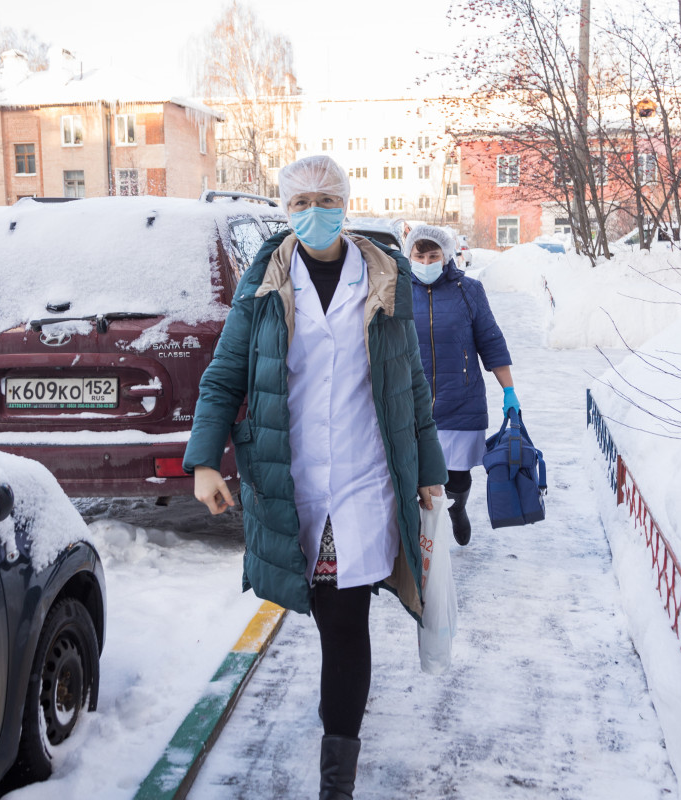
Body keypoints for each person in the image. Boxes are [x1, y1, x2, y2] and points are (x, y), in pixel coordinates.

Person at [182, 155, 447, 800]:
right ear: (285, 208)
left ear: (347, 201)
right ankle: (341, 719)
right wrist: (203, 460)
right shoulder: (264, 284)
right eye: (300, 201)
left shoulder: (386, 278)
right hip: (292, 475)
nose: (314, 210)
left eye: (326, 197)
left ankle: (338, 776)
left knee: (346, 619)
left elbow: (409, 381)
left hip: (364, 476)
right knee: (331, 620)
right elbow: (224, 376)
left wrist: (429, 469)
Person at [404, 224, 517, 545]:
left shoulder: (468, 291)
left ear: (446, 255)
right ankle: (420, 535)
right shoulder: (396, 291)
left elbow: (491, 340)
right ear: (409, 255)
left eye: (433, 255)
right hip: (411, 403)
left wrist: (509, 390)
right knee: (412, 475)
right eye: (419, 255)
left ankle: (457, 509)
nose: (426, 262)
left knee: (456, 475)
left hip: (461, 399)